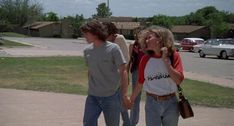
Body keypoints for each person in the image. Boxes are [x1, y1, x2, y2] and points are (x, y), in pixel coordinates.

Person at [130, 26, 184, 126]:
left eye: (149, 37)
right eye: (145, 38)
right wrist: (131, 99)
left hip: (171, 102)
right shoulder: (145, 59)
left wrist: (166, 61)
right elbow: (140, 82)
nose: (146, 40)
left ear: (160, 38)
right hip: (152, 103)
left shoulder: (173, 56)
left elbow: (178, 80)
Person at [80, 20, 130, 126]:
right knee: (88, 123)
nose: (84, 36)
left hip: (111, 96)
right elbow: (90, 71)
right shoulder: (87, 50)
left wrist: (124, 94)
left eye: (86, 33)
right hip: (93, 96)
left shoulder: (113, 48)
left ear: (95, 32)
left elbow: (123, 71)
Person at [102, 21, 130, 126]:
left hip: (120, 77)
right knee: (119, 104)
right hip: (108, 79)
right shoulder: (104, 41)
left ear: (111, 33)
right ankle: (127, 123)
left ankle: (127, 123)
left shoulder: (119, 39)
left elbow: (126, 60)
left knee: (119, 104)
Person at [127, 31, 145, 126]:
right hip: (136, 71)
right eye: (138, 34)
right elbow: (130, 60)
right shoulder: (132, 45)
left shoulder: (147, 45)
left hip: (148, 71)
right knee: (135, 97)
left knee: (151, 96)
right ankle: (132, 121)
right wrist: (127, 76)